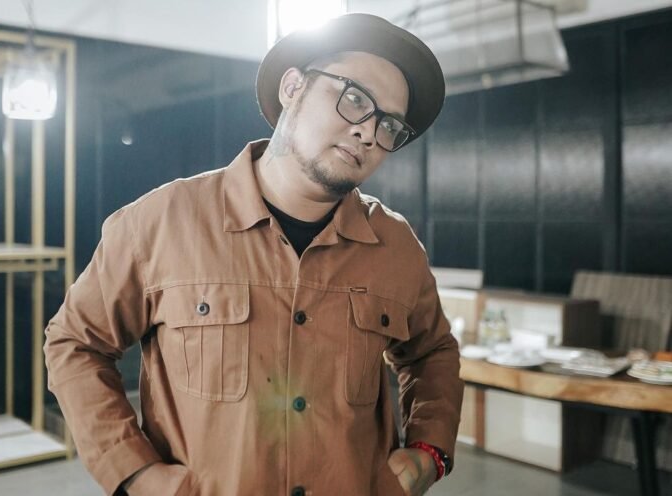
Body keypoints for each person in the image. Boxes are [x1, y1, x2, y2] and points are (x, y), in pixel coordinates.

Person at [44, 13, 463, 496]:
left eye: (389, 125)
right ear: (293, 87)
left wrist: (429, 450)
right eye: (355, 100)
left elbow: (434, 352)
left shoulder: (395, 245)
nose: (369, 133)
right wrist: (135, 473)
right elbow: (75, 343)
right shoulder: (160, 222)